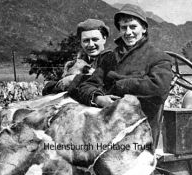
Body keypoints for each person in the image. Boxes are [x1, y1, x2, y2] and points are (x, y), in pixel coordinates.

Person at [74, 4, 173, 145]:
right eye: (124, 28)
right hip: (105, 130)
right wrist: (98, 99)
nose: (128, 32)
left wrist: (121, 84)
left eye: (133, 27)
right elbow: (87, 85)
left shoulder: (158, 57)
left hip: (140, 134)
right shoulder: (110, 58)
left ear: (144, 29)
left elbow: (158, 88)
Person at [42, 18, 111, 95]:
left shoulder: (112, 59)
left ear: (104, 39)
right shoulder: (79, 61)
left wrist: (74, 79)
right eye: (86, 40)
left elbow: (106, 83)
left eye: (95, 39)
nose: (91, 44)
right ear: (80, 42)